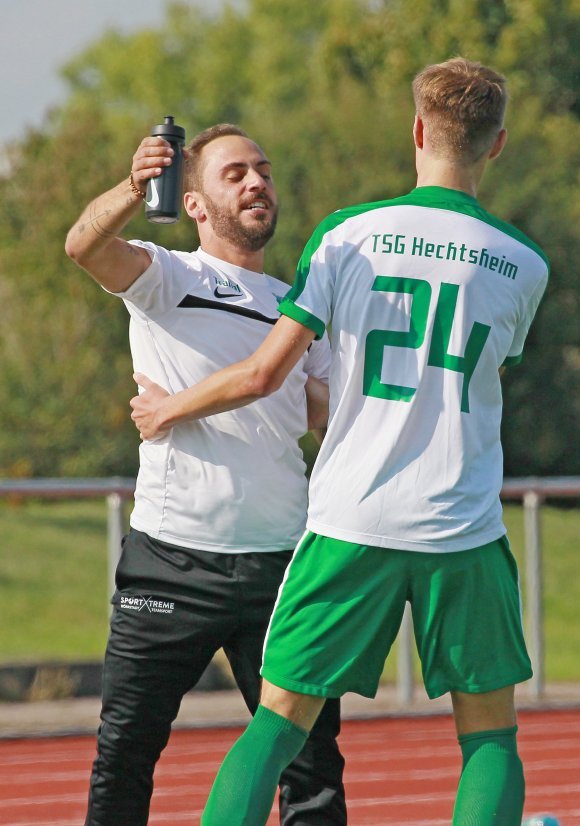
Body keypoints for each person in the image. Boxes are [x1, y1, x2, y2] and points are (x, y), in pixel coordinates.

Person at [130, 58, 550, 826]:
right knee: (490, 737)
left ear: (417, 131)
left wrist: (169, 411)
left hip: (351, 518)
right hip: (461, 523)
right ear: (497, 146)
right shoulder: (526, 265)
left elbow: (265, 371)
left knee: (278, 723)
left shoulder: (346, 235)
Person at [64, 124, 346, 826]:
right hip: (171, 560)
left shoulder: (298, 304)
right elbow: (83, 247)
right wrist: (134, 186)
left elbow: (325, 416)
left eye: (265, 171)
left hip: (281, 566)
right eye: (235, 174)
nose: (257, 183)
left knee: (312, 768)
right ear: (192, 203)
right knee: (125, 754)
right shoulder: (168, 275)